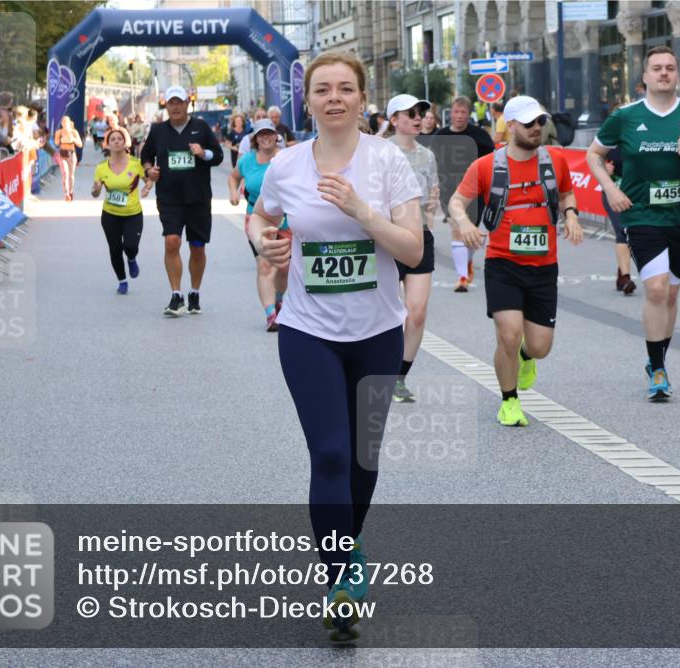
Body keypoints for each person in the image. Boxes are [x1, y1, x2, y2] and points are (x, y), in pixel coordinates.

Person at [248, 51, 422, 641]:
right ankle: (342, 579)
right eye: (322, 89)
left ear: (362, 97)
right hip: (307, 331)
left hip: (377, 333)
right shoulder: (287, 165)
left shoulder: (390, 163)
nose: (334, 98)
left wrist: (362, 211)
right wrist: (265, 243)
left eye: (346, 88)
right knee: (329, 454)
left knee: (363, 459)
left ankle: (350, 544)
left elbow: (414, 251)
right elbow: (259, 217)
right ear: (309, 100)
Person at [586, 45, 680, 401]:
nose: (664, 73)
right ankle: (658, 368)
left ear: (677, 75)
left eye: (670, 68)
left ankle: (657, 359)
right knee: (657, 289)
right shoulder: (626, 116)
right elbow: (594, 154)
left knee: (672, 293)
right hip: (640, 214)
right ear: (644, 77)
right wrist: (610, 189)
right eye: (657, 68)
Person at [449, 96, 583, 427]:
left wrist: (571, 215)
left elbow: (566, 192)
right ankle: (509, 402)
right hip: (503, 264)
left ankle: (526, 358)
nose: (537, 128)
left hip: (544, 266)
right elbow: (456, 201)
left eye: (540, 122)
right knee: (508, 334)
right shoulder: (487, 167)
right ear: (510, 127)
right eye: (529, 123)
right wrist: (465, 223)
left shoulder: (555, 161)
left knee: (539, 347)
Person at [140, 85, 224, 316]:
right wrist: (149, 171)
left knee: (197, 248)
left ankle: (194, 291)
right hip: (169, 198)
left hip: (198, 198)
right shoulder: (158, 130)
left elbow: (218, 156)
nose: (175, 107)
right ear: (165, 106)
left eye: (179, 102)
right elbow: (145, 156)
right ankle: (176, 296)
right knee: (172, 241)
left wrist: (202, 153)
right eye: (170, 103)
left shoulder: (201, 127)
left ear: (187, 103)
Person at [385, 94, 440, 403]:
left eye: (421, 112)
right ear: (394, 120)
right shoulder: (380, 153)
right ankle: (376, 368)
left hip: (419, 236)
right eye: (411, 113)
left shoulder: (427, 155)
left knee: (417, 313)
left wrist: (430, 213)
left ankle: (399, 378)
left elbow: (432, 195)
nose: (419, 117)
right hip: (388, 237)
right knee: (387, 312)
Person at [228, 118, 288, 331]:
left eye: (269, 133)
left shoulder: (286, 157)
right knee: (264, 263)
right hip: (257, 216)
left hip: (286, 218)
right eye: (261, 134)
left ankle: (279, 300)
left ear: (275, 136)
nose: (265, 138)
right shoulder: (247, 161)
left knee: (284, 268)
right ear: (255, 139)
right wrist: (233, 191)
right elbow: (234, 177)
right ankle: (271, 314)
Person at [437, 95, 495, 291]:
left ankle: (467, 263)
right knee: (457, 229)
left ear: (468, 114)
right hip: (450, 191)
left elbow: (493, 161)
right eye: (456, 112)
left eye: (463, 112)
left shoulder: (480, 136)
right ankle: (461, 276)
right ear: (450, 114)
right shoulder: (440, 136)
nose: (459, 116)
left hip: (475, 190)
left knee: (471, 231)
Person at [91, 128, 151, 294]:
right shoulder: (101, 167)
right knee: (115, 249)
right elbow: (95, 193)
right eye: (113, 139)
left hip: (132, 214)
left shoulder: (135, 163)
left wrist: (147, 188)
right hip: (110, 215)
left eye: (119, 139)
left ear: (125, 143)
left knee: (130, 246)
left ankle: (131, 258)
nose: (116, 141)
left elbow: (149, 180)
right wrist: (95, 189)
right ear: (107, 144)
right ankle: (122, 280)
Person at [602, 148, 636, 295]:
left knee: (633, 233)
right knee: (622, 231)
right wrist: (604, 170)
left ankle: (621, 275)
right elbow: (593, 159)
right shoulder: (608, 140)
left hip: (635, 193)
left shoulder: (640, 137)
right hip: (613, 193)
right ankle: (625, 279)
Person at [54, 116, 83, 201]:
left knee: (71, 175)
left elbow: (80, 144)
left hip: (71, 155)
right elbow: (56, 143)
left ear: (70, 123)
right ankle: (66, 193)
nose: (64, 124)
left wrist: (73, 139)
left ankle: (71, 191)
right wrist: (61, 139)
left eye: (66, 122)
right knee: (65, 174)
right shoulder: (59, 132)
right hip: (62, 154)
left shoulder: (74, 132)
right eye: (63, 122)